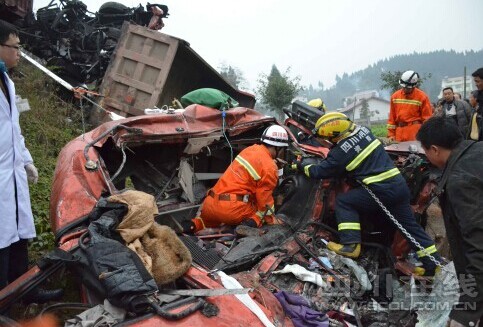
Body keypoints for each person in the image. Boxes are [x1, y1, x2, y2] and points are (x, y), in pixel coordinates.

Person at [295, 112, 441, 276]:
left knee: (344, 201)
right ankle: (432, 264)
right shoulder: (363, 131)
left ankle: (350, 245)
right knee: (409, 227)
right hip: (399, 186)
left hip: (381, 192)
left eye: (328, 139)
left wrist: (299, 166)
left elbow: (319, 171)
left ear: (334, 136)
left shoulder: (340, 153)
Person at [0, 20, 61, 302]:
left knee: (19, 233)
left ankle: (24, 290)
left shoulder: (7, 81)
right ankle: (4, 298)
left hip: (11, 173)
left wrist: (26, 160)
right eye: (15, 47)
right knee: (2, 237)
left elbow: (14, 129)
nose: (19, 53)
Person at [416, 116, 483, 327]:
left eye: (425, 151)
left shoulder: (460, 181)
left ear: (434, 149)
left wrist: (468, 309)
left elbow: (478, 244)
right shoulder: (478, 150)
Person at [184, 125, 289, 233]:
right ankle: (241, 228)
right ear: (278, 147)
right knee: (260, 213)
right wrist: (271, 219)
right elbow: (265, 200)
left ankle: (186, 227)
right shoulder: (270, 167)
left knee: (201, 222)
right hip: (231, 210)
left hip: (210, 204)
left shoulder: (249, 150)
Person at [387, 70, 432, 142]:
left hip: (415, 132)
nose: (405, 89)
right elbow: (392, 118)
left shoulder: (422, 97)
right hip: (399, 133)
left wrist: (426, 135)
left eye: (407, 88)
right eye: (403, 87)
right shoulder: (395, 96)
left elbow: (427, 119)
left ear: (413, 86)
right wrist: (391, 134)